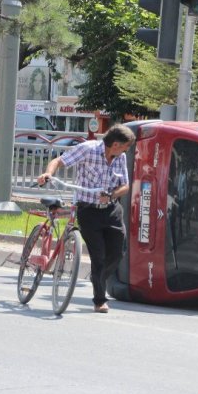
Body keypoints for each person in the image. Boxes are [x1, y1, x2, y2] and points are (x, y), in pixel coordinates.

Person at [38, 124, 135, 313]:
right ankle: (100, 300)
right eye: (126, 146)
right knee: (98, 256)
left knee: (117, 253)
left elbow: (125, 186)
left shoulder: (120, 157)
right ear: (116, 144)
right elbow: (59, 161)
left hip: (112, 210)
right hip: (88, 211)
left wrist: (112, 195)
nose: (127, 150)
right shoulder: (88, 149)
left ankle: (96, 277)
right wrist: (48, 173)